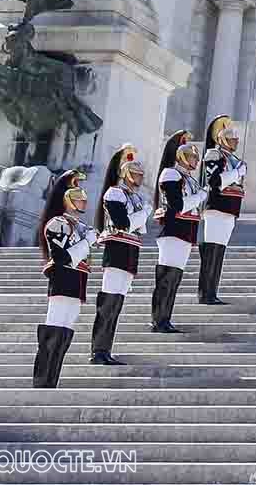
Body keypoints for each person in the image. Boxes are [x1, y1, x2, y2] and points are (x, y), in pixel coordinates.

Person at [35, 171, 95, 387]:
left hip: (78, 282)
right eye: (78, 196)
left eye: (83, 197)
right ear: (67, 199)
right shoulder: (57, 223)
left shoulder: (80, 227)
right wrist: (87, 241)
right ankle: (42, 380)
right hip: (62, 279)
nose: (83, 201)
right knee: (54, 326)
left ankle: (52, 379)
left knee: (66, 329)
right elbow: (62, 257)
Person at [90, 145, 149, 364]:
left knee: (117, 303)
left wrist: (140, 216)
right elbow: (122, 223)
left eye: (141, 175)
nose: (139, 178)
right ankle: (98, 351)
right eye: (135, 174)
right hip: (116, 249)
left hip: (131, 250)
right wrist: (143, 214)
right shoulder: (115, 193)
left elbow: (139, 229)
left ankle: (105, 350)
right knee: (109, 301)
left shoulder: (135, 197)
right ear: (125, 173)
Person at [150, 132, 205, 333]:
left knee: (174, 278)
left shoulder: (189, 179)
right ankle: (158, 319)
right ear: (181, 157)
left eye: (196, 158)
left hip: (186, 232)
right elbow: (178, 205)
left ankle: (165, 318)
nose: (196, 161)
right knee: (166, 277)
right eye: (192, 157)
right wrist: (200, 196)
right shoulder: (171, 174)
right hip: (173, 230)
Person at [197, 114, 246, 306]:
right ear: (221, 138)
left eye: (235, 137)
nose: (235, 140)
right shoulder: (213, 154)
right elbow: (215, 181)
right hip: (217, 206)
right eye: (230, 136)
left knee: (219, 251)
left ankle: (212, 291)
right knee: (212, 249)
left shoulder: (234, 159)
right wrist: (237, 173)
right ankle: (205, 292)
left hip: (230, 209)